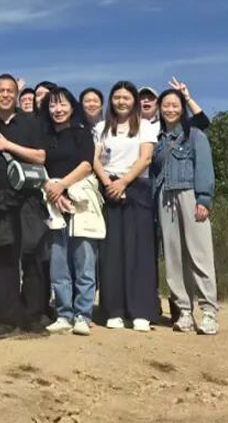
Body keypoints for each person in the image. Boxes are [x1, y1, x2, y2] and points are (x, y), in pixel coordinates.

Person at [0, 74, 49, 340]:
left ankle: (33, 316)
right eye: (1, 91)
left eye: (10, 90)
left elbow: (40, 157)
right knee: (2, 261)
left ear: (16, 94)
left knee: (33, 257)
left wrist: (8, 145)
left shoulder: (31, 122)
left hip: (29, 199)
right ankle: (5, 320)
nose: (5, 95)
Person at [151, 89, 218, 335]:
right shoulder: (158, 140)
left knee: (200, 254)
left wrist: (204, 199)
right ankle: (184, 312)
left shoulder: (195, 135)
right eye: (166, 105)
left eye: (175, 105)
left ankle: (209, 312)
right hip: (164, 198)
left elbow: (204, 167)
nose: (170, 109)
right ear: (159, 109)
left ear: (182, 109)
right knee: (174, 257)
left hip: (190, 194)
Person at [93, 81, 158, 332]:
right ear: (111, 100)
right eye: (117, 97)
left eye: (126, 97)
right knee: (111, 252)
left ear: (134, 101)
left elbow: (146, 158)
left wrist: (124, 182)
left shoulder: (145, 126)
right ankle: (114, 310)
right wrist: (109, 183)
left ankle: (140, 311)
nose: (121, 101)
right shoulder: (101, 127)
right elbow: (94, 159)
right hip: (109, 188)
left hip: (136, 188)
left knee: (139, 251)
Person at [41, 88, 102, 337]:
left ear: (72, 106)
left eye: (63, 104)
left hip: (80, 201)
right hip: (53, 202)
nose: (58, 110)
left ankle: (83, 315)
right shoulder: (44, 135)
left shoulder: (81, 132)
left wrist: (62, 186)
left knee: (84, 260)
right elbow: (40, 165)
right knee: (59, 263)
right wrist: (54, 192)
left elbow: (87, 165)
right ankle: (64, 314)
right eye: (52, 105)